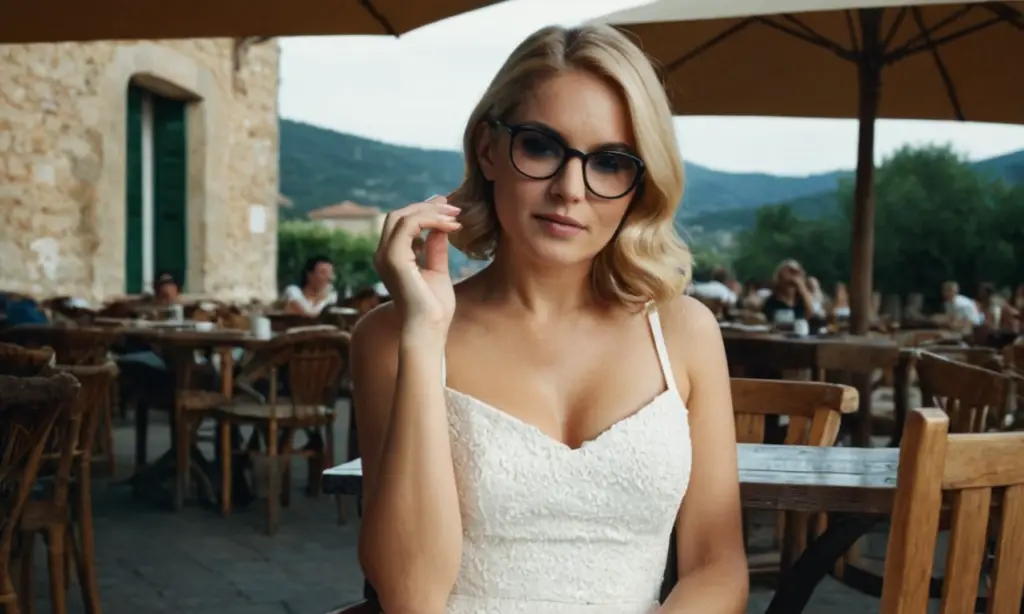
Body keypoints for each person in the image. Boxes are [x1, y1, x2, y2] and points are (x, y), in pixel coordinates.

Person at [351, 24, 747, 614]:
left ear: (640, 184)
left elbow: (718, 565)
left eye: (610, 162)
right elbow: (410, 593)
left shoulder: (685, 333)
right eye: (540, 146)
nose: (569, 189)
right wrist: (424, 334)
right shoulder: (391, 336)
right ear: (489, 149)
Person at [761, 259, 815, 325]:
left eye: (796, 272)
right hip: (778, 333)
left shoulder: (802, 300)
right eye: (790, 271)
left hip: (799, 333)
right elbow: (767, 322)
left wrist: (801, 286)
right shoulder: (771, 301)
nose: (793, 276)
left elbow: (810, 313)